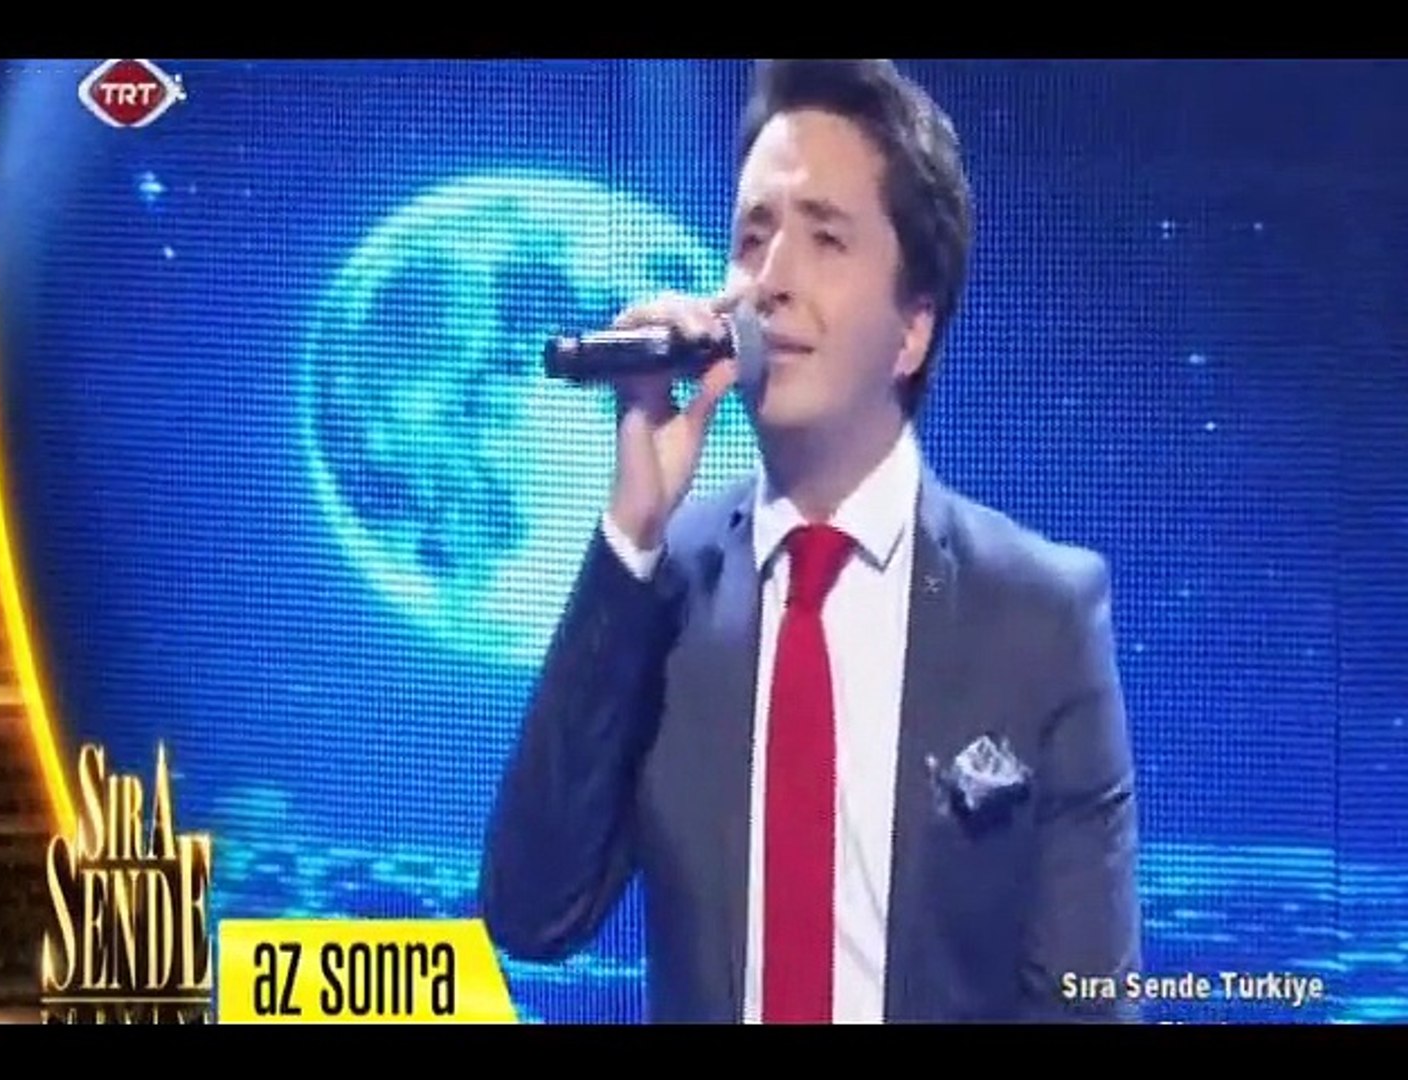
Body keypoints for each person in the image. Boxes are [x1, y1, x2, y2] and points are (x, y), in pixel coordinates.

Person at [479, 58, 1141, 1023]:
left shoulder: (1041, 613)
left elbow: (1088, 1000)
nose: (771, 280)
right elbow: (533, 913)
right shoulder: (670, 584)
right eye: (752, 238)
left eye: (824, 238)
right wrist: (632, 532)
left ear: (913, 330)